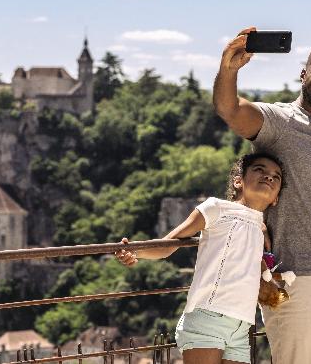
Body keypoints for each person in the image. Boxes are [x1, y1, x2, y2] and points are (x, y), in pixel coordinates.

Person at [213, 27, 311, 364]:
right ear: (303, 73)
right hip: (295, 283)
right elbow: (230, 109)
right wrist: (229, 68)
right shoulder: (278, 122)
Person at [114, 153, 284, 364]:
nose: (269, 177)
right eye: (260, 169)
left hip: (243, 326)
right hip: (207, 318)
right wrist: (135, 251)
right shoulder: (216, 208)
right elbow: (170, 243)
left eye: (276, 177)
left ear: (276, 198)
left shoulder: (261, 228)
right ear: (238, 180)